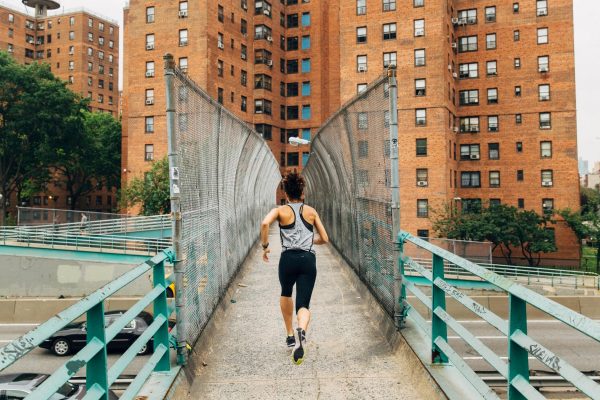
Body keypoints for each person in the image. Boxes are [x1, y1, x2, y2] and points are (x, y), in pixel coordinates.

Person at [260, 171, 329, 365]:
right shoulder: (311, 211)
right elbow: (325, 239)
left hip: (288, 258)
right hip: (308, 259)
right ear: (303, 193)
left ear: (286, 195)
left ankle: (290, 334)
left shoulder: (281, 211)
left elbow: (265, 223)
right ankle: (302, 330)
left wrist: (265, 247)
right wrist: (312, 241)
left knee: (286, 292)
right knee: (304, 304)